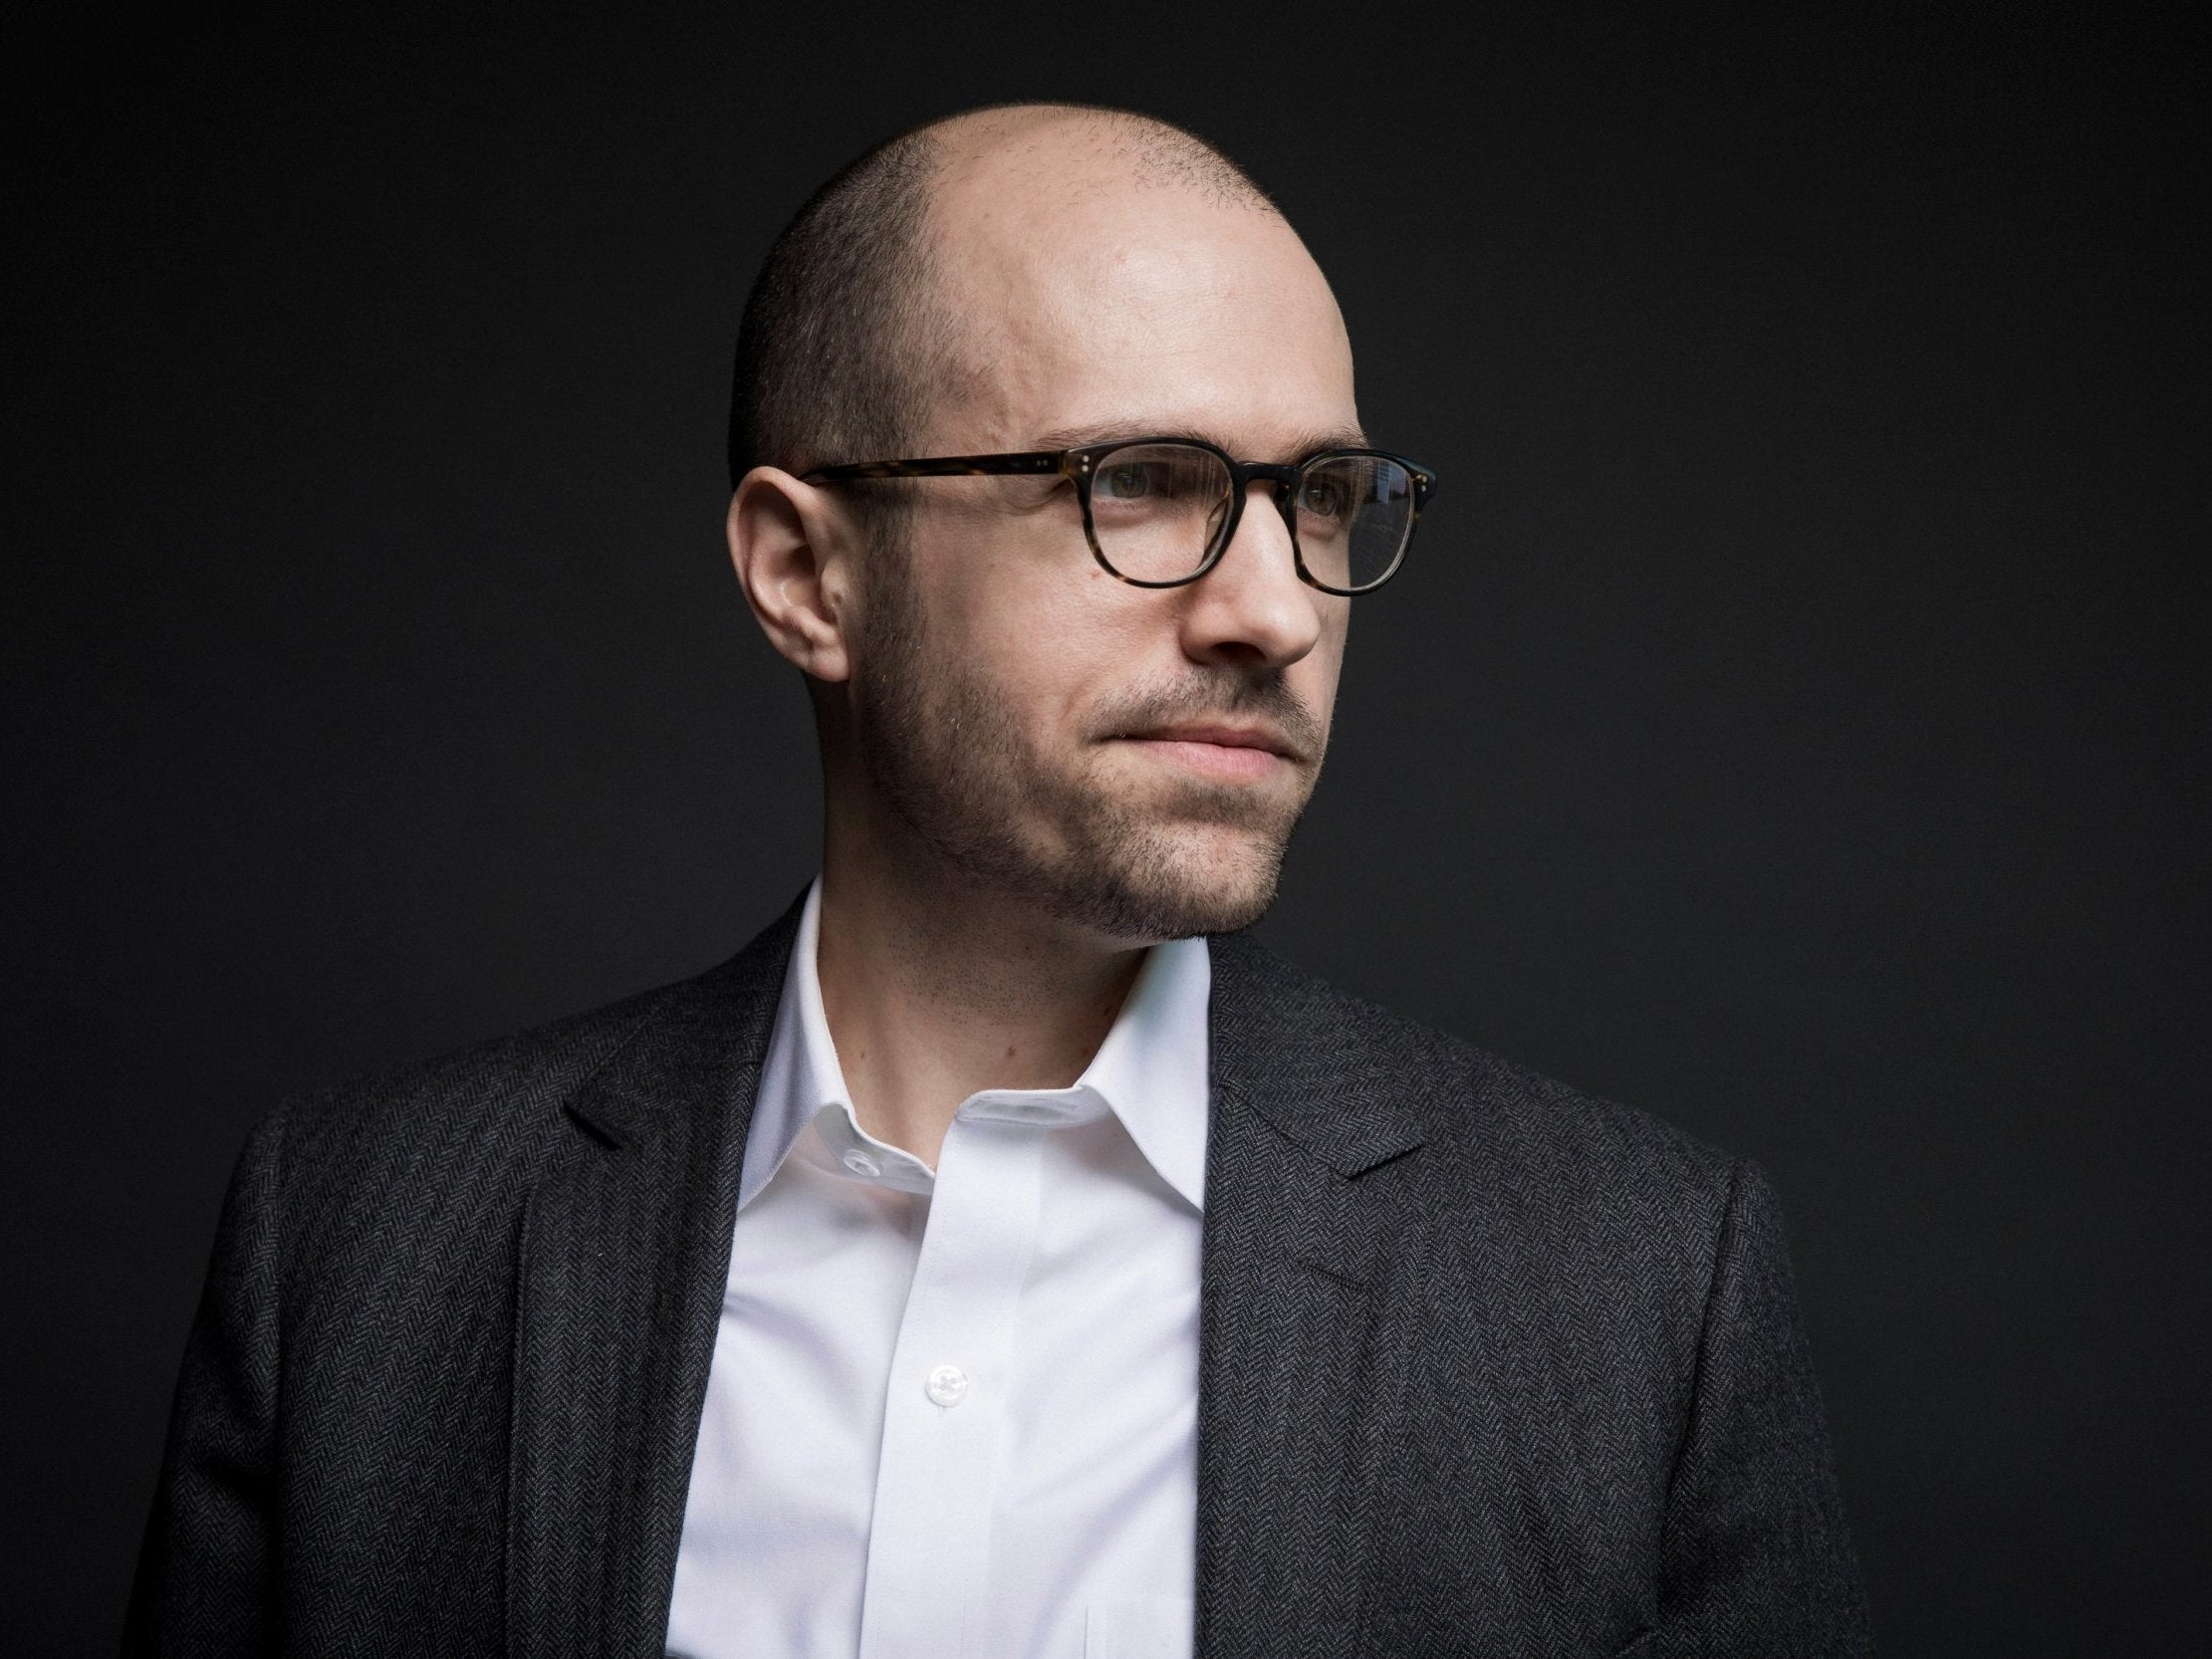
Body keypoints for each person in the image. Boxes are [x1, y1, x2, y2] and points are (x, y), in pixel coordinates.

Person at [124, 104, 1871, 1657]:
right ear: (806, 573)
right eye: (1142, 481)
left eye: (1325, 498)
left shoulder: (1638, 1292)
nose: (1275, 610)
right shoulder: (355, 1249)